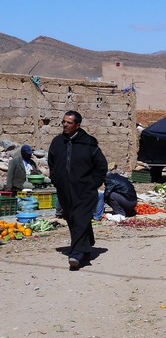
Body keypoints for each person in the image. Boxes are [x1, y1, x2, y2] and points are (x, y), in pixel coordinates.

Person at [48, 111, 108, 270]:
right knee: (72, 219)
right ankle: (87, 245)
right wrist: (56, 180)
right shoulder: (57, 143)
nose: (65, 125)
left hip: (85, 191)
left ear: (77, 125)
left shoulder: (88, 144)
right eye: (63, 122)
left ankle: (76, 254)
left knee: (80, 218)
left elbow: (101, 167)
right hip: (65, 191)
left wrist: (92, 183)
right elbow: (52, 164)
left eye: (69, 122)